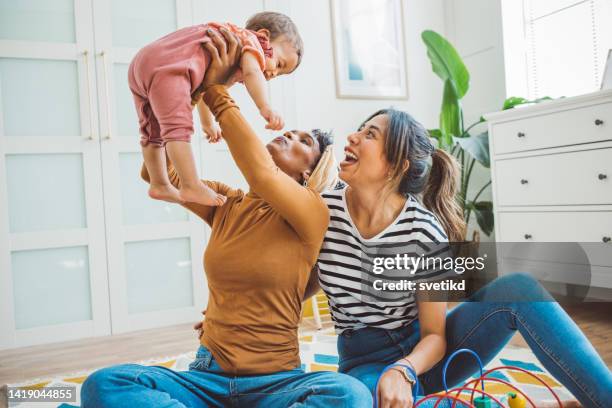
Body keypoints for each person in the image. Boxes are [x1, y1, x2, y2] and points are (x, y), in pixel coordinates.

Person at [79, 28, 371, 408]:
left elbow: (261, 173)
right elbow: (155, 175)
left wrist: (216, 86)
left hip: (277, 382)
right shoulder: (225, 203)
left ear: (308, 175)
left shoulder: (311, 213)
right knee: (104, 384)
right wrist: (179, 90)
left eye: (304, 143)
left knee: (350, 395)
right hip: (205, 378)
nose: (289, 136)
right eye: (292, 132)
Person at [316, 108, 612, 407]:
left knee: (518, 289)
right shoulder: (321, 210)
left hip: (426, 356)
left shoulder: (423, 231)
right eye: (360, 129)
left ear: (396, 166)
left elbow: (434, 336)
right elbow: (293, 284)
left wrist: (404, 369)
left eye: (370, 134)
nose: (351, 137)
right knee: (363, 400)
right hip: (366, 364)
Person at [129, 11, 302, 206]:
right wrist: (265, 107)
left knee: (152, 132)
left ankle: (159, 183)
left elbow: (204, 88)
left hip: (142, 63)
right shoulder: (252, 42)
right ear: (264, 36)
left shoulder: (227, 45)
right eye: (279, 63)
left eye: (279, 74)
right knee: (177, 129)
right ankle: (190, 184)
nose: (272, 74)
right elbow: (253, 72)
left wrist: (206, 122)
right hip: (169, 68)